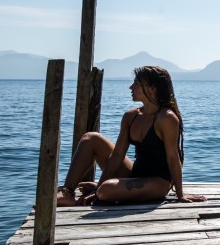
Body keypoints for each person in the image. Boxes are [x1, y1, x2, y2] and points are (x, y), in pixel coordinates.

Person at [56, 65, 206, 206]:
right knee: (90, 138)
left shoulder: (166, 118)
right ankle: (67, 192)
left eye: (137, 84)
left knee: (106, 190)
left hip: (159, 182)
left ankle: (103, 189)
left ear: (152, 88)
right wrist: (99, 185)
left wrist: (180, 195)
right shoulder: (131, 116)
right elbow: (117, 155)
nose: (131, 87)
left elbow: (173, 157)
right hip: (135, 173)